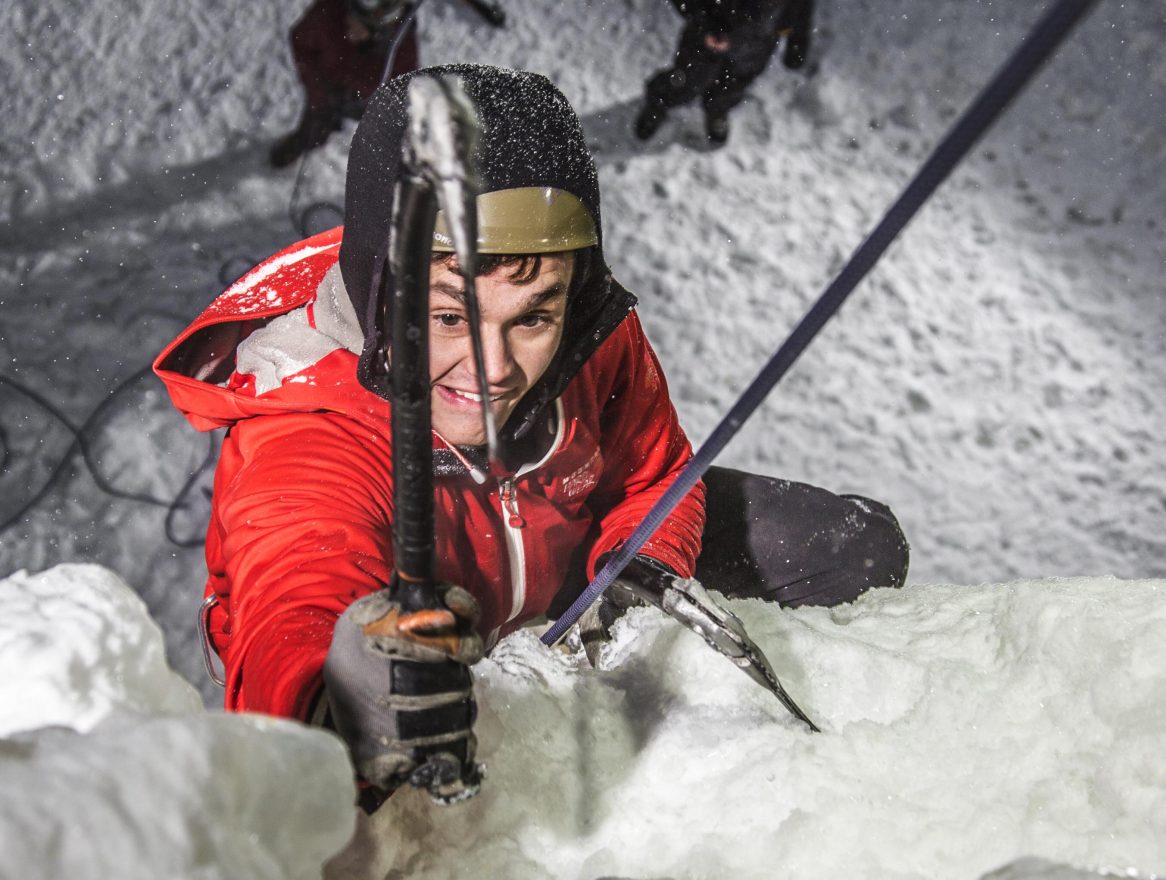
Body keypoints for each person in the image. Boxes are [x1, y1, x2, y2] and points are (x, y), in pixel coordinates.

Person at [157, 64, 906, 804]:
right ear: (381, 291)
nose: (493, 369)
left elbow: (653, 473)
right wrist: (345, 702)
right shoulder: (308, 435)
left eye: (533, 318)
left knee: (853, 544)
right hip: (427, 667)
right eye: (449, 317)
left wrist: (638, 574)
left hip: (571, 578)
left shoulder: (589, 332)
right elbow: (296, 590)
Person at [635, 0, 815, 146]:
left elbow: (799, 9)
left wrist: (798, 41)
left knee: (733, 85)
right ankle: (659, 102)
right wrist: (705, 23)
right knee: (687, 80)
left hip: (754, 45)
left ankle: (717, 109)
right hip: (707, 37)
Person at [269, 0, 419, 169]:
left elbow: (400, 89)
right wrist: (318, 87)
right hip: (327, 89)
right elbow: (300, 41)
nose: (349, 28)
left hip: (368, 102)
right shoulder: (328, 12)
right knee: (316, 123)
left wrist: (361, 92)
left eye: (361, 26)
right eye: (350, 17)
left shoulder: (401, 45)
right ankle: (306, 140)